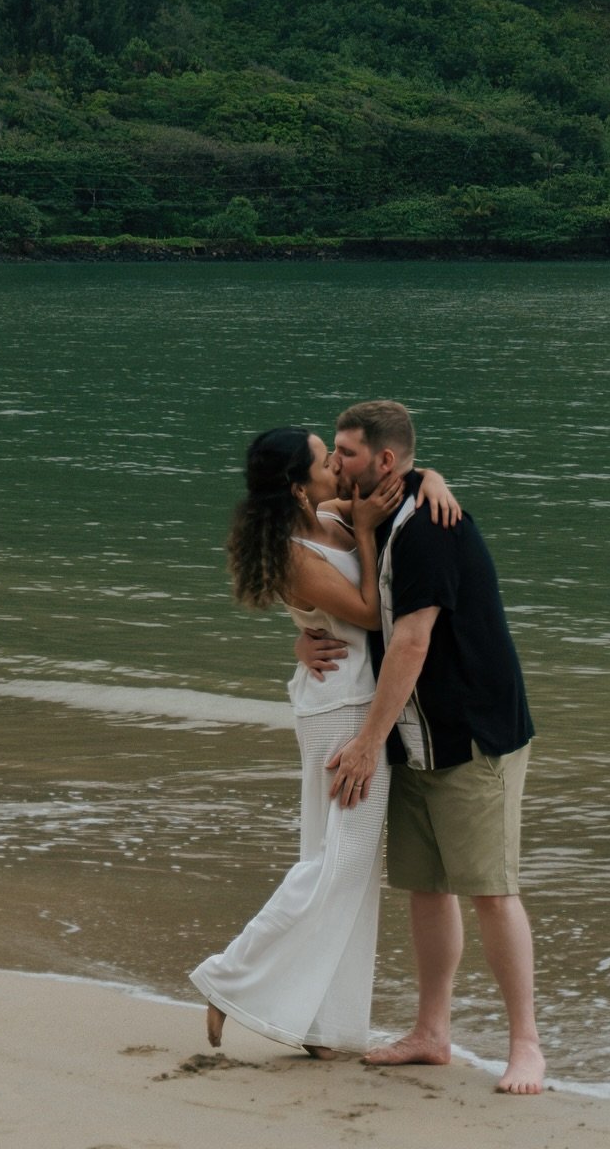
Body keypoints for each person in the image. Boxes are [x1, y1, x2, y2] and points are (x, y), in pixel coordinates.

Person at [189, 426, 459, 1057]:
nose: (336, 465)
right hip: (344, 712)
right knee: (340, 864)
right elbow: (370, 612)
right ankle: (229, 978)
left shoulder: (331, 511)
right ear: (297, 485)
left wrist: (435, 481)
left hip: (346, 699)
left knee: (345, 867)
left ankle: (323, 1026)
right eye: (324, 459)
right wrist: (365, 534)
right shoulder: (294, 548)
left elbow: (410, 481)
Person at [302, 399, 544, 1095]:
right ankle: (432, 1032)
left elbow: (411, 641)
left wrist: (363, 745)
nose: (335, 465)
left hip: (470, 732)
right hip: (411, 734)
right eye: (332, 454)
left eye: (345, 453)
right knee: (425, 886)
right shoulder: (368, 513)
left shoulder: (432, 526)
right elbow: (319, 583)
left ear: (382, 461)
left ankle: (526, 1043)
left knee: (492, 890)